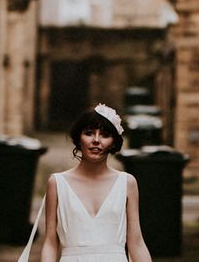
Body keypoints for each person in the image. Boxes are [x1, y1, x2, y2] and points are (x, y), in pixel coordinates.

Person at [35, 103, 152, 262]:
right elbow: (50, 242)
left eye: (104, 135)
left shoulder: (127, 183)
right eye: (89, 133)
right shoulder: (57, 183)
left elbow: (136, 242)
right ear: (79, 138)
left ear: (113, 142)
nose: (96, 140)